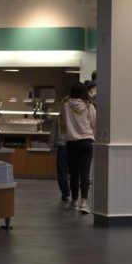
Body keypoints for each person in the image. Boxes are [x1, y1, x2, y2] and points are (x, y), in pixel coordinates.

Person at [61, 82, 96, 214]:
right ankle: (84, 203)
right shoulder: (89, 107)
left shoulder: (65, 106)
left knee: (74, 173)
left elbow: (63, 122)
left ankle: (74, 201)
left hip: (72, 143)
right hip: (87, 142)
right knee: (85, 173)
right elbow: (95, 124)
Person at [49, 100, 70, 202]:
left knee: (62, 172)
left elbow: (53, 134)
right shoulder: (74, 118)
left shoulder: (58, 118)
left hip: (62, 148)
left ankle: (65, 193)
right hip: (73, 147)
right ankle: (75, 195)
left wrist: (52, 147)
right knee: (74, 172)